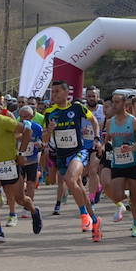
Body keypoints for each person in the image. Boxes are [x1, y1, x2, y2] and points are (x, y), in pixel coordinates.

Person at [0, 96, 44, 243]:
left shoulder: (4, 121)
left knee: (20, 199)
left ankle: (34, 211)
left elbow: (27, 131)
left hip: (9, 165)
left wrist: (21, 153)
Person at [43, 79, 103, 241]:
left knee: (70, 179)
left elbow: (94, 121)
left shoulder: (77, 108)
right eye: (52, 92)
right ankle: (94, 220)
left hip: (78, 152)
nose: (53, 95)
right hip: (61, 155)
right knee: (79, 188)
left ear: (65, 93)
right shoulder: (50, 113)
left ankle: (84, 216)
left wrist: (97, 138)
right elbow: (45, 138)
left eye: (56, 91)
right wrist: (49, 130)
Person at [105, 93, 136, 238]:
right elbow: (108, 140)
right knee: (116, 195)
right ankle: (126, 197)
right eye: (112, 102)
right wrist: (106, 146)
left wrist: (131, 148)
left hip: (134, 163)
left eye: (117, 102)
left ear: (124, 104)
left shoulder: (134, 121)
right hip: (117, 163)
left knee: (135, 199)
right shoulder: (110, 122)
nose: (114, 105)